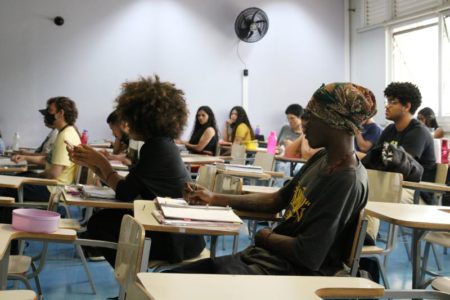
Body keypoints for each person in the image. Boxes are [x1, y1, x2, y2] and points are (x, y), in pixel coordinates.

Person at [169, 82, 376, 276]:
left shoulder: (346, 181)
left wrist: (264, 236)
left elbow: (309, 255)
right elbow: (275, 200)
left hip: (287, 275)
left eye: (312, 116)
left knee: (172, 284)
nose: (304, 123)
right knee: (170, 279)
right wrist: (213, 198)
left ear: (335, 122)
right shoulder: (322, 158)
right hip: (266, 261)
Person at [68, 76, 205, 267]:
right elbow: (131, 188)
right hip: (176, 230)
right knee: (103, 221)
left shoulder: (156, 148)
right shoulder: (161, 144)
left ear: (141, 119)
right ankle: (130, 281)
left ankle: (131, 279)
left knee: (99, 224)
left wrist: (101, 163)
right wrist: (92, 163)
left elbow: (125, 192)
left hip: (175, 238)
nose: (126, 124)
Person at [1, 97, 81, 202]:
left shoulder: (65, 137)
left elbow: (54, 174)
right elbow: (48, 160)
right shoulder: (67, 132)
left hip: (52, 190)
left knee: (4, 187)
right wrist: (25, 158)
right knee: (18, 177)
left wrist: (38, 175)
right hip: (53, 186)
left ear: (60, 113)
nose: (47, 114)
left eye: (50, 111)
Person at [377, 82, 436, 186]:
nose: (387, 106)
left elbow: (400, 164)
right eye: (388, 101)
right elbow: (374, 155)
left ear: (407, 107)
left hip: (417, 190)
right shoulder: (389, 130)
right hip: (393, 185)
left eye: (393, 102)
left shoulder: (419, 132)